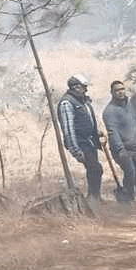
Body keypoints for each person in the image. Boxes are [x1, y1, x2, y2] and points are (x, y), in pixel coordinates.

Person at [57, 74, 104, 202]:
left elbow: (85, 121)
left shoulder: (82, 100)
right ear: (75, 87)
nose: (86, 89)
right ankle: (93, 199)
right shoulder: (67, 103)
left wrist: (96, 132)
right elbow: (68, 129)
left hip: (89, 142)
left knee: (94, 170)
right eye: (84, 87)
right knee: (96, 169)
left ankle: (95, 198)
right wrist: (75, 150)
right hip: (80, 143)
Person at [103, 80, 136, 202]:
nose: (120, 92)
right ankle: (126, 199)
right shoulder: (109, 111)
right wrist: (120, 149)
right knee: (131, 172)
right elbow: (113, 132)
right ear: (112, 92)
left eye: (122, 89)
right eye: (117, 90)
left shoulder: (133, 103)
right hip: (122, 149)